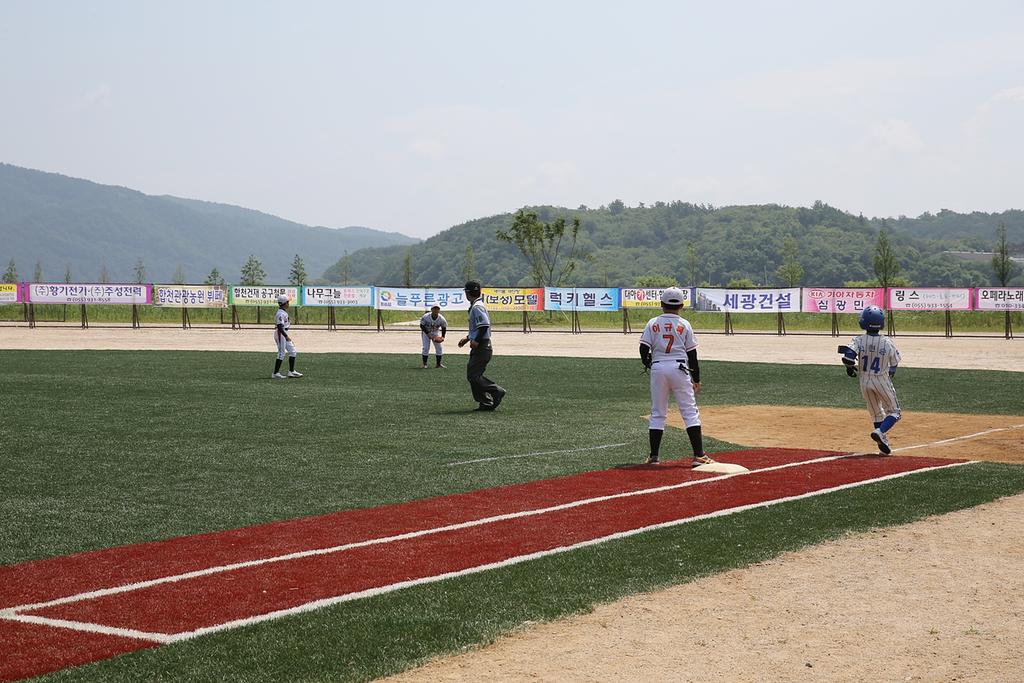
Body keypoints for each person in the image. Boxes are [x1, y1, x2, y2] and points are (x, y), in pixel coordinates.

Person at [639, 287, 713, 467]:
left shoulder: (653, 322)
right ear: (681, 305)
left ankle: (654, 457)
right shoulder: (684, 324)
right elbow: (692, 354)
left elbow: (643, 348)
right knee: (689, 411)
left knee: (658, 413)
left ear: (661, 304)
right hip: (679, 368)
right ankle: (699, 455)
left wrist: (649, 362)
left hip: (658, 367)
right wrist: (696, 378)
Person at [839, 305, 901, 454]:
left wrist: (849, 367)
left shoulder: (858, 340)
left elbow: (848, 358)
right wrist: (891, 371)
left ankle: (883, 444)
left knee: (876, 413)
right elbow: (894, 363)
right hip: (882, 380)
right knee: (895, 412)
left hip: (864, 381)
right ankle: (881, 432)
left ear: (863, 322)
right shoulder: (887, 342)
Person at [457, 280, 506, 411]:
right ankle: (485, 402)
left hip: (482, 346)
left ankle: (496, 391)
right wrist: (468, 338)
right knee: (473, 375)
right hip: (482, 346)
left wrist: (476, 340)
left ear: (467, 293)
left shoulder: (477, 306)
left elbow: (484, 326)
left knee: (473, 376)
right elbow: (478, 327)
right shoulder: (477, 305)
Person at [272, 294, 302, 379]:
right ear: (284, 303)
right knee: (281, 353)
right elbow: (279, 327)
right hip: (281, 334)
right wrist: (286, 336)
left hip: (284, 333)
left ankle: (291, 372)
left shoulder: (283, 312)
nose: (289, 303)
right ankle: (275, 373)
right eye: (288, 302)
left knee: (293, 351)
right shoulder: (280, 313)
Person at [419, 304, 448, 368]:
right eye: (434, 308)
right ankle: (424, 364)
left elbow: (444, 327)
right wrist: (428, 334)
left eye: (437, 309)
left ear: (439, 310)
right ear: (431, 310)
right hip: (426, 333)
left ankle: (438, 364)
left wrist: (443, 337)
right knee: (426, 348)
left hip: (435, 333)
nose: (436, 310)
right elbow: (422, 325)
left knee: (439, 348)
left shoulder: (441, 319)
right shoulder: (426, 316)